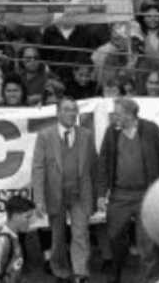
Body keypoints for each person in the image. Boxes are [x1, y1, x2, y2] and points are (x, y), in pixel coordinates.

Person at [97, 97, 159, 283]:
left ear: (130, 115)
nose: (114, 117)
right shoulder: (111, 132)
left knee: (146, 241)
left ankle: (146, 278)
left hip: (146, 194)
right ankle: (117, 269)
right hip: (120, 194)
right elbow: (103, 162)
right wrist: (101, 193)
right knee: (114, 235)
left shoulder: (151, 129)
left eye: (118, 114)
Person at [32, 98, 97, 283]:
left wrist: (97, 195)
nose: (71, 113)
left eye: (74, 109)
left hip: (80, 194)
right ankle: (60, 271)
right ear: (58, 112)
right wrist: (39, 198)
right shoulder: (45, 135)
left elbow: (94, 165)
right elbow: (38, 167)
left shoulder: (86, 135)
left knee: (81, 234)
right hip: (55, 195)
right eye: (67, 109)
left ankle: (80, 273)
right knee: (58, 237)